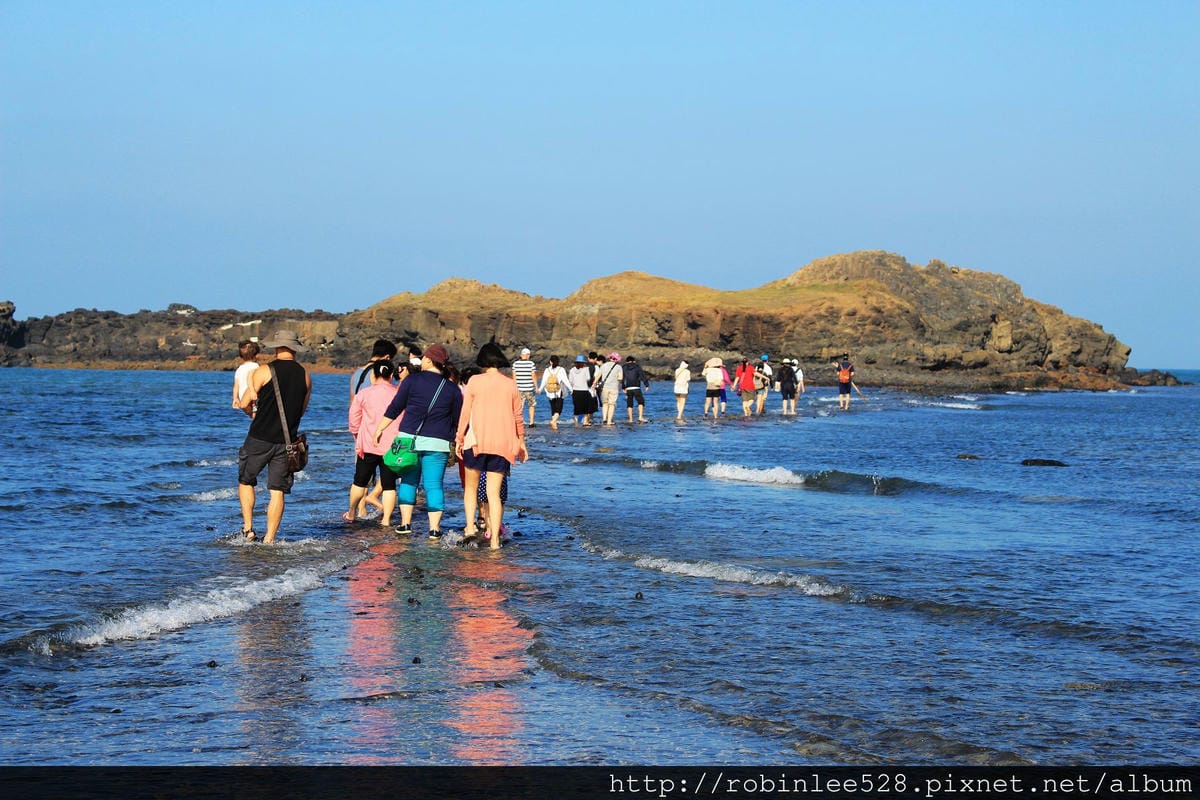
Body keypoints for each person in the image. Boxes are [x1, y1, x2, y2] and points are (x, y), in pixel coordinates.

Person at [373, 344, 463, 540]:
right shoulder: (453, 389)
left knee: (409, 481)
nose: (421, 361)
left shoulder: (412, 381)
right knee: (434, 485)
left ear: (429, 360)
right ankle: (434, 529)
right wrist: (456, 442)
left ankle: (405, 524)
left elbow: (395, 407)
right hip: (438, 442)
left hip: (409, 440)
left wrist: (380, 428)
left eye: (423, 358)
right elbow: (456, 420)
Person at [236, 330, 313, 544]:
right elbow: (302, 410)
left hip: (259, 436)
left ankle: (249, 529)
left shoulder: (263, 371)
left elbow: (244, 403)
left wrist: (252, 415)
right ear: (295, 349)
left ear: (276, 347)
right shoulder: (305, 376)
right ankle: (270, 538)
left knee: (246, 480)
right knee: (277, 490)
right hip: (287, 442)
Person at [456, 342, 528, 549]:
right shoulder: (510, 384)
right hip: (503, 444)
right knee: (493, 494)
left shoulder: (474, 381)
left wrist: (459, 437)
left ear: (482, 360)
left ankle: (470, 527)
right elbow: (518, 416)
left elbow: (465, 413)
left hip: (476, 441)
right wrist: (521, 442)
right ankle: (495, 541)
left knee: (471, 489)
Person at [346, 360, 401, 526]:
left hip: (368, 444)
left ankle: (351, 513)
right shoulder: (399, 394)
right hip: (392, 447)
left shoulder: (363, 394)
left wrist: (357, 436)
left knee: (359, 481)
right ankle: (386, 520)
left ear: (373, 375)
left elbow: (354, 421)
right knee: (389, 485)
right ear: (391, 376)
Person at [537, 355, 571, 429]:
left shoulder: (547, 370)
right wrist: (571, 389)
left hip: (550, 391)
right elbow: (565, 380)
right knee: (559, 408)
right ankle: (553, 421)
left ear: (550, 362)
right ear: (558, 361)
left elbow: (544, 381)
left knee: (553, 408)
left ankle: (554, 425)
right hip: (559, 391)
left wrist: (540, 389)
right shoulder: (561, 369)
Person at [591, 352, 624, 426]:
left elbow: (598, 376)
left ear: (610, 358)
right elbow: (620, 378)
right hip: (614, 388)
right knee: (612, 404)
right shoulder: (619, 367)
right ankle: (609, 421)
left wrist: (594, 384)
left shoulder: (604, 365)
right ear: (616, 359)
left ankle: (604, 419)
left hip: (604, 387)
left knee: (605, 403)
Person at [232, 340, 260, 418]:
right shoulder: (255, 366)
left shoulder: (240, 369)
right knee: (256, 415)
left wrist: (235, 398)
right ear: (256, 355)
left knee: (253, 416)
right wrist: (252, 391)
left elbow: (236, 386)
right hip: (252, 396)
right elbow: (250, 378)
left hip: (242, 397)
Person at [512, 346, 539, 427]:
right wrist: (537, 387)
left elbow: (514, 377)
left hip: (518, 389)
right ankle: (531, 423)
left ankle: (518, 423)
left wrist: (514, 387)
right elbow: (533, 376)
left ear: (521, 355)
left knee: (520, 407)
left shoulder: (515, 364)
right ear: (527, 355)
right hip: (529, 389)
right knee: (532, 405)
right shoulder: (531, 364)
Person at [622, 355, 650, 423]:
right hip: (636, 387)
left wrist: (623, 387)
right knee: (641, 402)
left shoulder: (624, 367)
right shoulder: (637, 366)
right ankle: (640, 417)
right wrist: (646, 385)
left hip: (628, 388)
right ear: (634, 361)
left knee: (629, 403)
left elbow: (622, 378)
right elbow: (642, 376)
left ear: (626, 361)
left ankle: (630, 419)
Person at [568, 355, 593, 426]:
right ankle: (585, 422)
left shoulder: (572, 370)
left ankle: (576, 423)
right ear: (583, 363)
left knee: (576, 407)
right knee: (585, 407)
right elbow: (588, 379)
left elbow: (570, 381)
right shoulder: (586, 369)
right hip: (584, 390)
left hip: (575, 390)